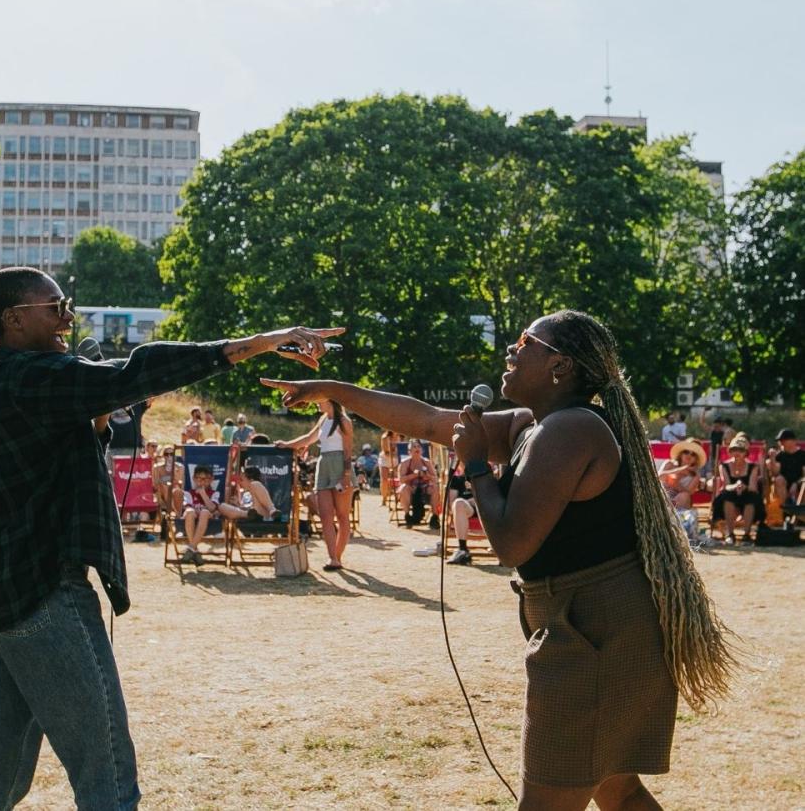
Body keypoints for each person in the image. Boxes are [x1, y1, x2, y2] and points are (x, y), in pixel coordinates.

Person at [263, 309, 735, 810]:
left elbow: (512, 545)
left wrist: (472, 465)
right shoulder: (537, 423)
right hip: (599, 625)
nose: (511, 349)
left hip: (598, 634)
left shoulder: (571, 430)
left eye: (527, 340)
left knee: (557, 799)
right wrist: (336, 390)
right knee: (616, 788)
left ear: (561, 366)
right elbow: (425, 419)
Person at [0, 265, 342, 810]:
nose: (68, 316)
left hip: (0, 599)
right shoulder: (31, 377)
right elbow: (136, 370)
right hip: (42, 596)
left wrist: (97, 411)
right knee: (107, 778)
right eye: (55, 307)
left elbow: (61, 442)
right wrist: (256, 344)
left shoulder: (8, 382)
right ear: (14, 320)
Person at [276, 400, 354, 571]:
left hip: (340, 465)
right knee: (325, 515)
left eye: (321, 400)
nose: (317, 403)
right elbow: (308, 439)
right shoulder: (323, 419)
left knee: (342, 515)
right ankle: (332, 557)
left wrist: (346, 476)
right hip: (324, 465)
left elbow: (348, 451)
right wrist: (287, 444)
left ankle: (337, 557)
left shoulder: (344, 421)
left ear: (331, 401)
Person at [712, 434, 762, 544]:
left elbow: (753, 486)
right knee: (727, 497)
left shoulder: (753, 467)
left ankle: (747, 534)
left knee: (751, 498)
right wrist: (735, 486)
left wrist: (744, 486)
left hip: (748, 492)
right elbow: (726, 485)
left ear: (746, 452)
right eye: (734, 449)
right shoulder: (724, 466)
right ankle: (730, 533)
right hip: (731, 492)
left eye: (740, 450)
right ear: (730, 451)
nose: (737, 452)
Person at [179, 464, 224, 565]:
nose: (202, 482)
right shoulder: (188, 493)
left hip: (210, 523)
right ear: (194, 479)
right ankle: (194, 549)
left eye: (205, 479)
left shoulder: (214, 493)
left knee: (204, 512)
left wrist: (203, 494)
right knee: (190, 512)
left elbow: (212, 508)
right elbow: (187, 507)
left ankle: (191, 548)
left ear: (211, 479)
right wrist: (197, 510)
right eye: (199, 478)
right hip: (191, 520)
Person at [446, 460, 483, 565]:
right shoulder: (456, 480)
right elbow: (451, 504)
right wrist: (468, 501)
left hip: (484, 509)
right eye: (463, 461)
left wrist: (477, 500)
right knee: (458, 503)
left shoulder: (483, 478)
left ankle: (500, 548)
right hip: (466, 509)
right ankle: (462, 550)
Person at [397, 438, 440, 529]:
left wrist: (427, 476)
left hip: (424, 488)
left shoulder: (426, 462)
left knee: (435, 488)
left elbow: (435, 478)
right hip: (411, 488)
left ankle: (435, 516)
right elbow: (401, 479)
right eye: (414, 447)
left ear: (422, 449)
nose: (417, 448)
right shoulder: (405, 463)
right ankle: (407, 515)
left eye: (418, 446)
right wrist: (414, 475)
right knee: (404, 488)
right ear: (409, 451)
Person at [657, 439, 705, 510]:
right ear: (681, 454)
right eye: (686, 452)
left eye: (693, 454)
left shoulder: (695, 475)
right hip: (661, 495)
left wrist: (676, 485)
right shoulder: (670, 464)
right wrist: (679, 470)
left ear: (696, 459)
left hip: (678, 501)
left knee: (684, 496)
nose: (689, 455)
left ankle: (670, 512)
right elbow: (658, 477)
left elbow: (688, 492)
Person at [767, 428, 805, 510]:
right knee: (779, 479)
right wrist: (772, 459)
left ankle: (800, 511)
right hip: (784, 483)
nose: (781, 443)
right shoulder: (779, 455)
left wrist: (796, 483)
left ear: (793, 441)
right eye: (780, 441)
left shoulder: (802, 455)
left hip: (800, 483)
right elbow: (775, 473)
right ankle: (786, 510)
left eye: (783, 440)